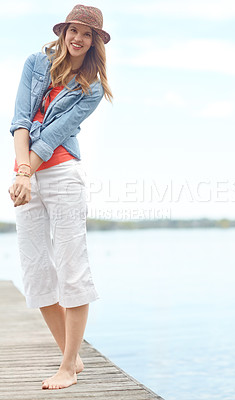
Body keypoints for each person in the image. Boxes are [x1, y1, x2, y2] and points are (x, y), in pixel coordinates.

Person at [8, 4, 112, 390]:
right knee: (36, 273)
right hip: (28, 175)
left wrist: (25, 172)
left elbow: (52, 136)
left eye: (87, 35)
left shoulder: (93, 87)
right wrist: (23, 173)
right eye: (74, 30)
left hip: (63, 174)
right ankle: (73, 356)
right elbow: (21, 119)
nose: (78, 39)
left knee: (72, 267)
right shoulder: (36, 63)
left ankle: (67, 366)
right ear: (64, 31)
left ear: (96, 42)